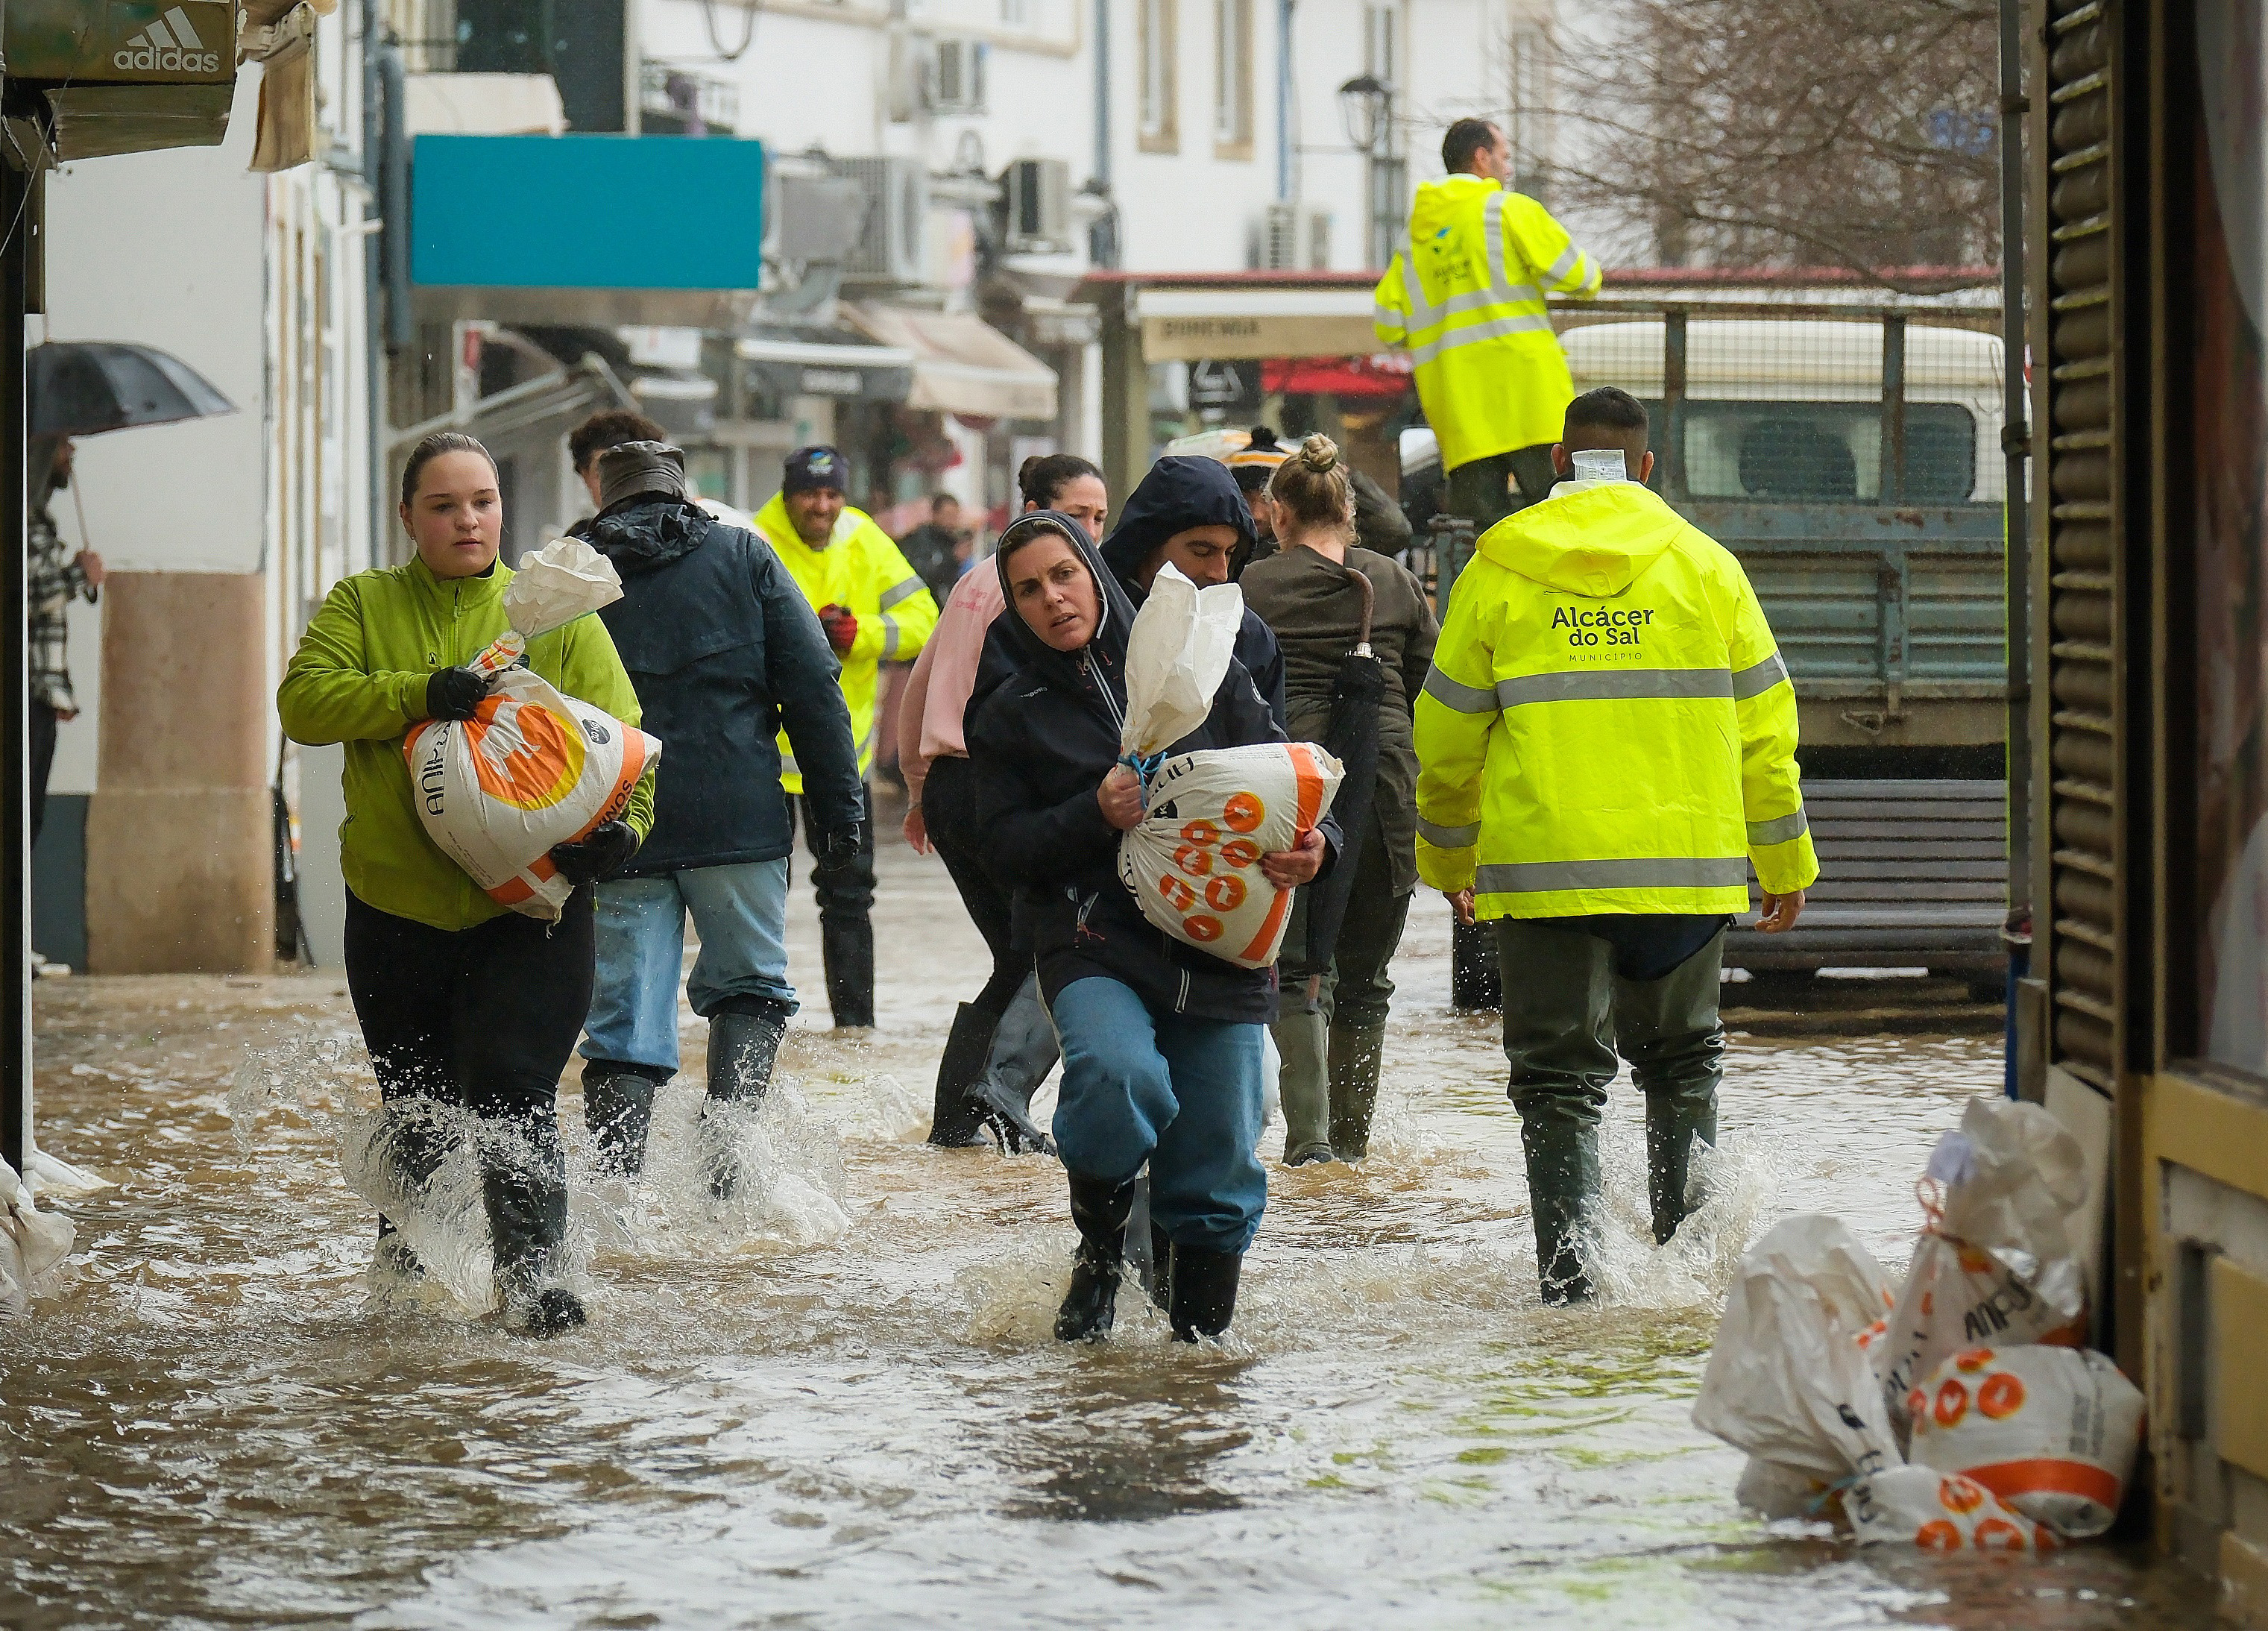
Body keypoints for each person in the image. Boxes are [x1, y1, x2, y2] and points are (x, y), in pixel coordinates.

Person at [1411, 389, 1818, 1304]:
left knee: (1558, 1085)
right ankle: (1691, 1285)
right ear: (1646, 467)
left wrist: (1446, 863)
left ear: (1557, 463)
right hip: (1686, 878)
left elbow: (1442, 739)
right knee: (1683, 1065)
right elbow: (1767, 734)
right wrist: (1785, 863)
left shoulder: (1499, 568)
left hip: (1545, 879)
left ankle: (1572, 1291)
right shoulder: (1709, 569)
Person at [277, 431, 654, 1336]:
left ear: (502, 507)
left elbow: (631, 744)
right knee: (418, 1111)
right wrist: (418, 692)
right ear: (407, 517)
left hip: (534, 907)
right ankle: (406, 1294)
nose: (467, 519)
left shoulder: (557, 611)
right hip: (396, 912)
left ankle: (537, 1292)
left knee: (518, 1091)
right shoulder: (365, 603)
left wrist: (624, 834)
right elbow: (305, 703)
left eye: (481, 501)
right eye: (443, 505)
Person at [966, 511, 1333, 1342]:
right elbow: (1004, 851)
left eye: (1063, 574)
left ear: (1092, 570)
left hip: (1223, 945)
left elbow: (1285, 774)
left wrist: (1320, 848)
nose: (1053, 598)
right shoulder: (1007, 710)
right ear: (1013, 607)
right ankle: (1100, 1253)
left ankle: (1196, 1364)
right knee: (1120, 1079)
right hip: (1094, 942)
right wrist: (1091, 812)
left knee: (1221, 1158)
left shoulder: (1197, 662)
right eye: (1028, 589)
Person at [567, 436, 864, 1190]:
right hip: (739, 820)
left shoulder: (571, 569)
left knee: (624, 1020)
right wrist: (838, 814)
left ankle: (617, 1200)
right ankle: (729, 1183)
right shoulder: (744, 557)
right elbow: (815, 689)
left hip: (618, 826)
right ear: (683, 491)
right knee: (749, 987)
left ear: (603, 495)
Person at [1240, 435, 1438, 1166]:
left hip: (1291, 788)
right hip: (1386, 785)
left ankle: (1309, 1143)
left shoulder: (1252, 589)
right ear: (1350, 510)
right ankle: (1352, 1154)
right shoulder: (1391, 581)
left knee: (1296, 972)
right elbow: (1431, 688)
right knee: (1366, 983)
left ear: (1275, 512)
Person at [899, 453, 1107, 1149]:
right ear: (1034, 512)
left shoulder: (978, 581)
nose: (1090, 530)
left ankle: (963, 1124)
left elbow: (919, 683)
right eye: (1077, 514)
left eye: (1100, 517)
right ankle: (980, 1108)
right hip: (989, 784)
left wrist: (918, 786)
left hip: (952, 784)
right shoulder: (1026, 592)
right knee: (1036, 952)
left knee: (1016, 955)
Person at [749, 447, 939, 1030]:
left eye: (833, 494)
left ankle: (855, 1033)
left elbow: (925, 623)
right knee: (759, 904)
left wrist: (861, 633)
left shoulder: (865, 538)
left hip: (840, 757)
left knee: (850, 898)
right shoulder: (753, 540)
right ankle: (759, 1029)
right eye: (811, 493)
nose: (823, 505)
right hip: (761, 760)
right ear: (788, 493)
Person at [1373, 118, 1603, 537]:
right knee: (1564, 525)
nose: (1508, 169)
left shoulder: (1413, 242)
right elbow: (1584, 277)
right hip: (1531, 402)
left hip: (1461, 416)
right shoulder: (1508, 210)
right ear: (1482, 158)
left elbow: (1389, 326)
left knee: (1485, 545)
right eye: (1505, 157)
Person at [1097, 455, 1288, 731]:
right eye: (1202, 551)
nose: (1220, 572)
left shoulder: (1249, 638)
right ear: (1147, 545)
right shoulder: (1094, 627)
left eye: (1231, 554)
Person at [26, 437, 100, 852]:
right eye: (60, 443)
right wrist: (78, 575)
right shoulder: (23, 521)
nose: (70, 451)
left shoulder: (38, 520)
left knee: (31, 815)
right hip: (28, 697)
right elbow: (25, 595)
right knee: (24, 815)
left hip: (40, 696)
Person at [569, 408, 667, 512]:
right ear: (585, 475)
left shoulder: (676, 524)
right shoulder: (584, 528)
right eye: (604, 473)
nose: (617, 484)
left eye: (630, 472)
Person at [895, 491, 971, 610]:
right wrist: (952, 559)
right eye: (947, 515)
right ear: (935, 514)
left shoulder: (953, 541)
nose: (952, 521)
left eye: (955, 516)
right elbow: (921, 574)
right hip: (923, 608)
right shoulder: (921, 540)